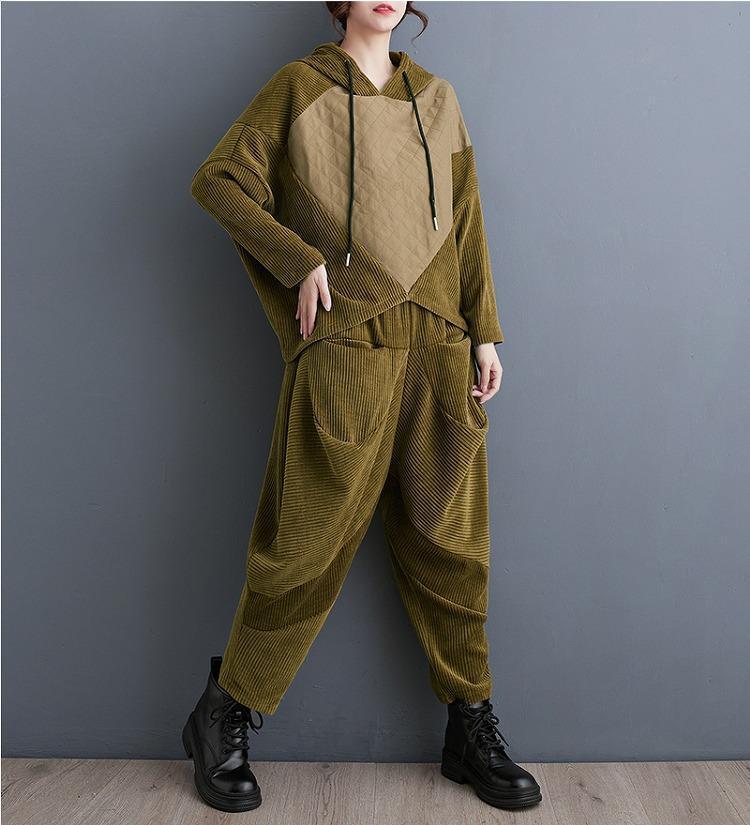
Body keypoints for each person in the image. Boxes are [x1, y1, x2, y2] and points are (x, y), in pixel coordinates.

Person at [182, 0, 542, 814]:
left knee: (452, 547)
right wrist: (298, 258)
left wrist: (485, 330)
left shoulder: (439, 99)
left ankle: (469, 724)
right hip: (347, 344)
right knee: (304, 543)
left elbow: (467, 220)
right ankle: (224, 711)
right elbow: (219, 181)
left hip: (441, 347)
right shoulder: (298, 87)